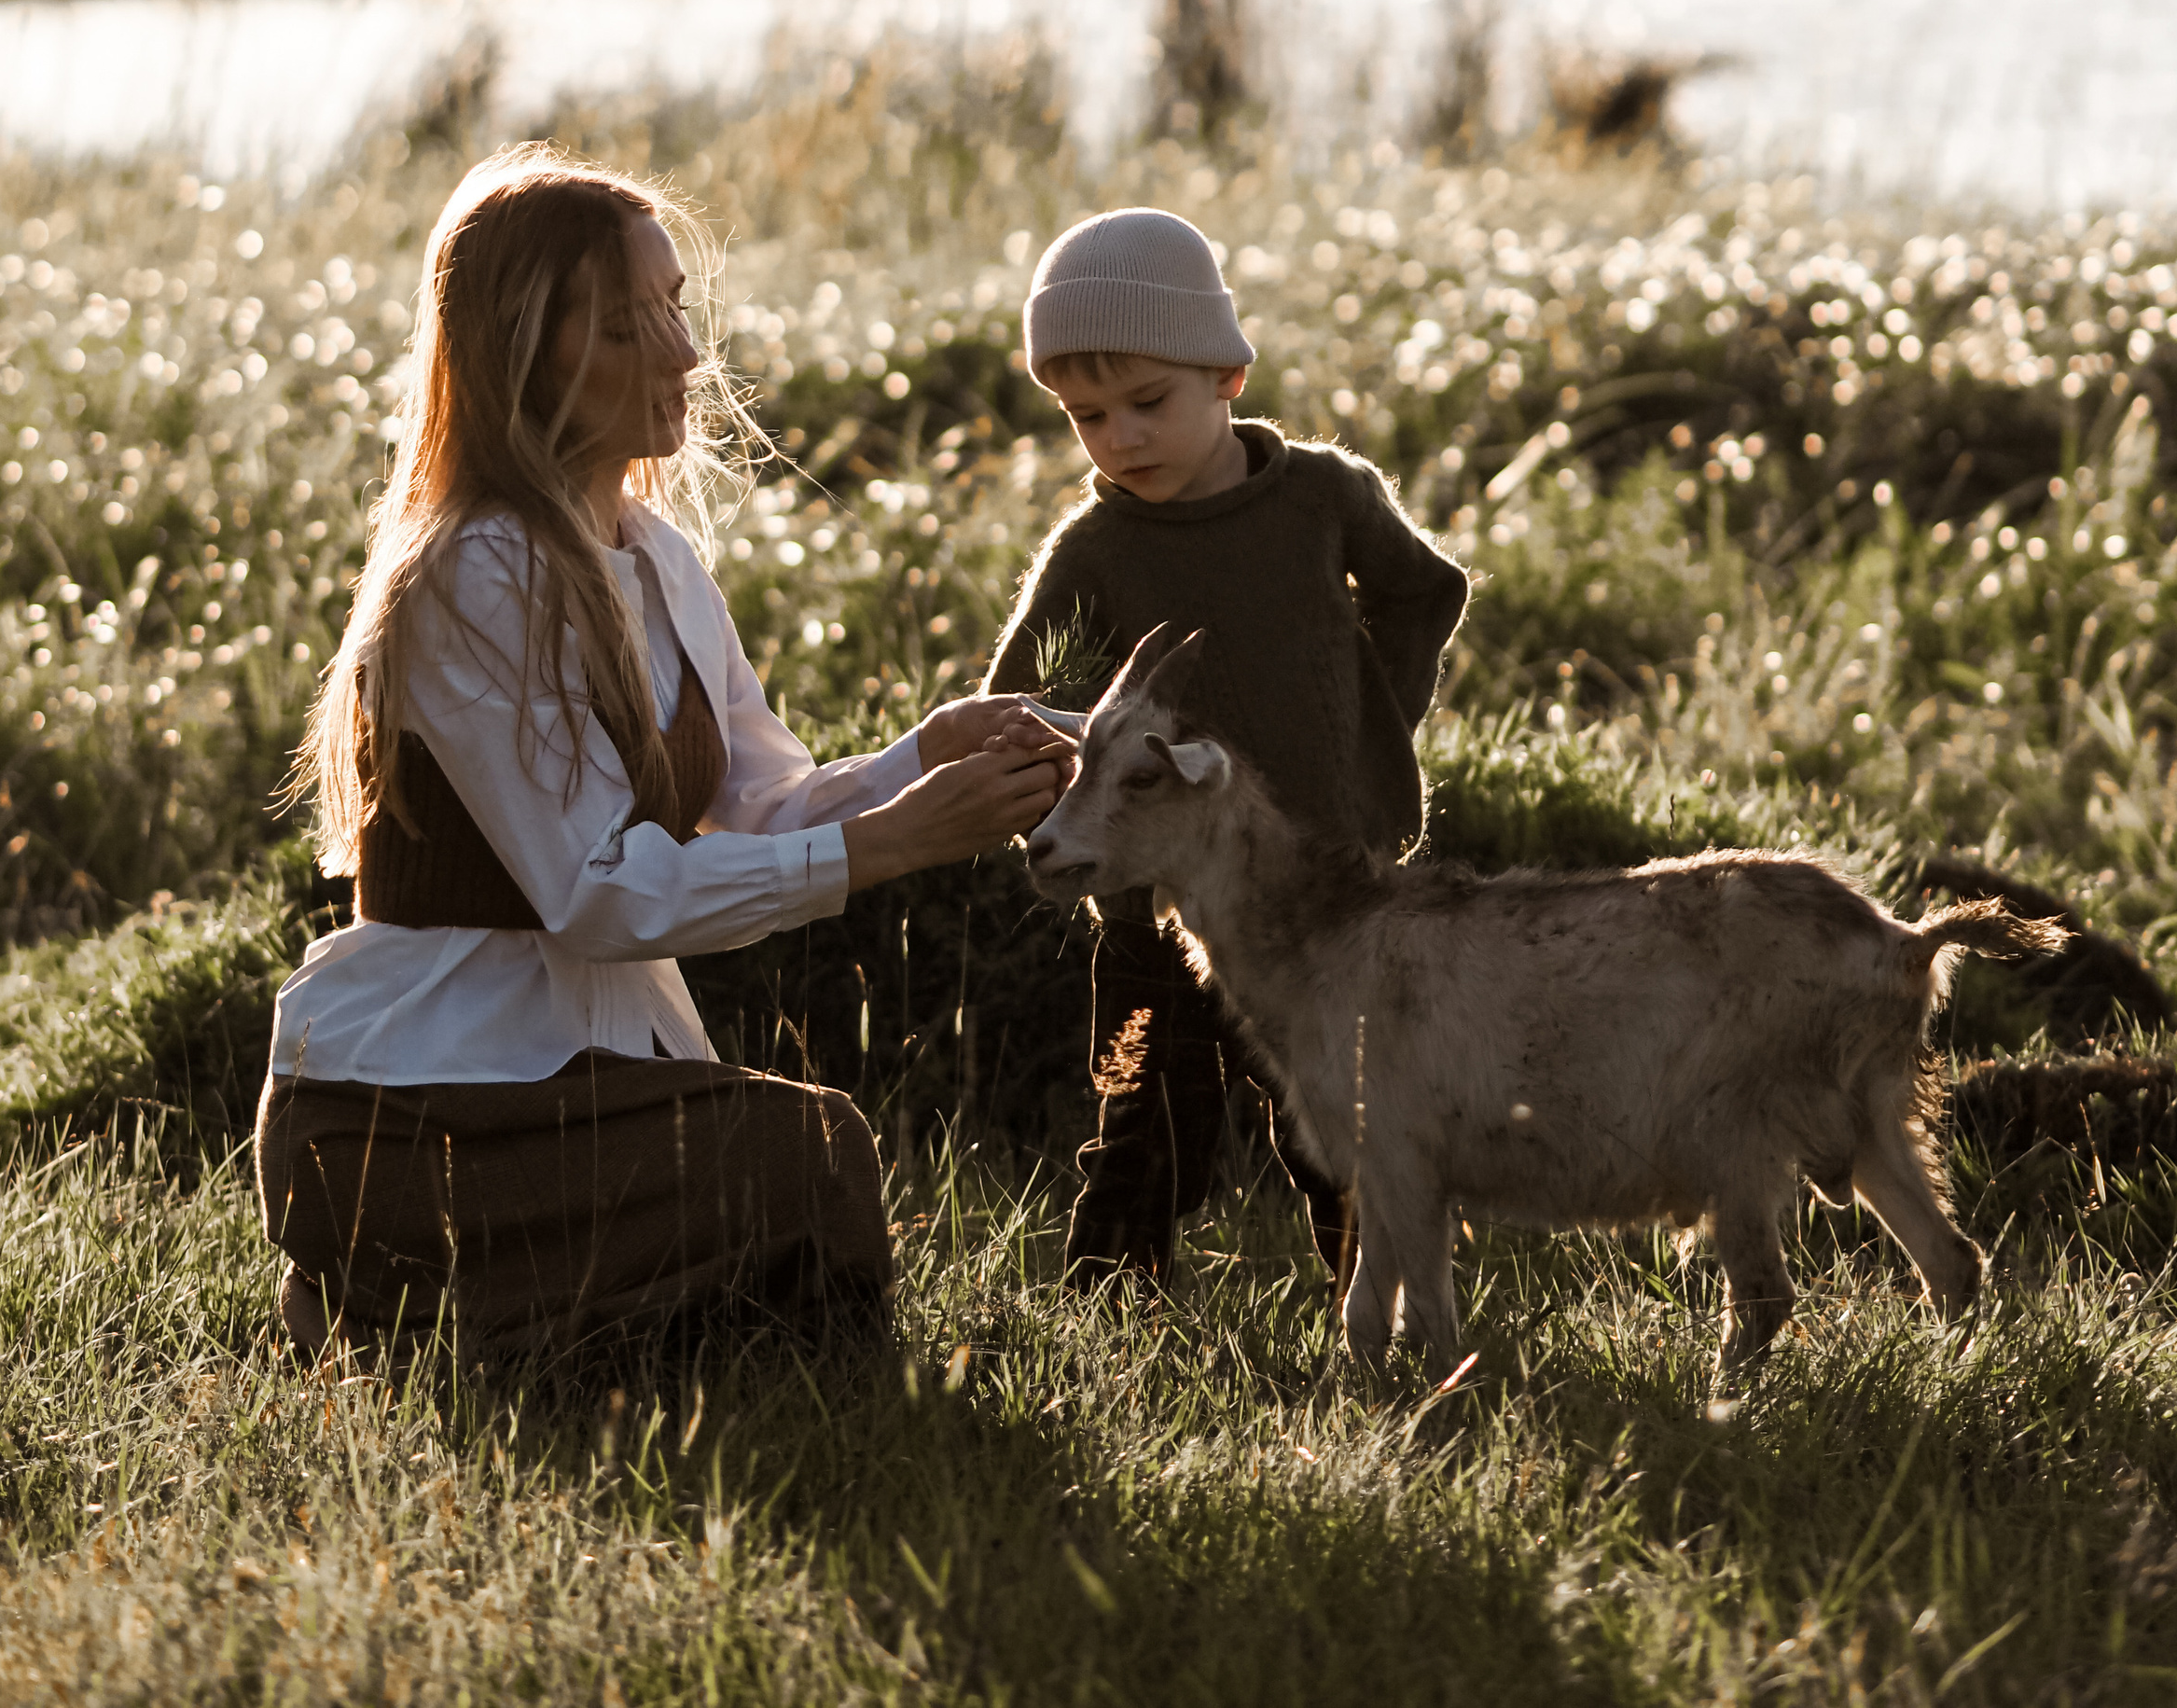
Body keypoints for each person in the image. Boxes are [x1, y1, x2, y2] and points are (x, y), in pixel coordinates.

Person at [257, 144, 1071, 1366]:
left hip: (585, 1082)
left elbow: (761, 800)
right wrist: (889, 843)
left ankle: (497, 1336)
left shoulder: (655, 561)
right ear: (531, 353)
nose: (687, 355)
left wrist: (921, 757)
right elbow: (598, 894)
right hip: (409, 1111)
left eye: (676, 310)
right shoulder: (473, 574)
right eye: (631, 324)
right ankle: (403, 1306)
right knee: (813, 1163)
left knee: (805, 1192)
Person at [984, 207, 1468, 1287]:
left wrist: (1368, 731)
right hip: (1154, 909)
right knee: (1147, 1116)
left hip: (1326, 897)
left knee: (1343, 1121)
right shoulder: (1097, 549)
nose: (1119, 438)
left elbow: (1425, 591)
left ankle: (1378, 1319)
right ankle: (1110, 1316)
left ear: (1226, 373)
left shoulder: (1322, 500)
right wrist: (1094, 787)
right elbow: (1017, 703)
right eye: (1086, 415)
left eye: (1147, 402)